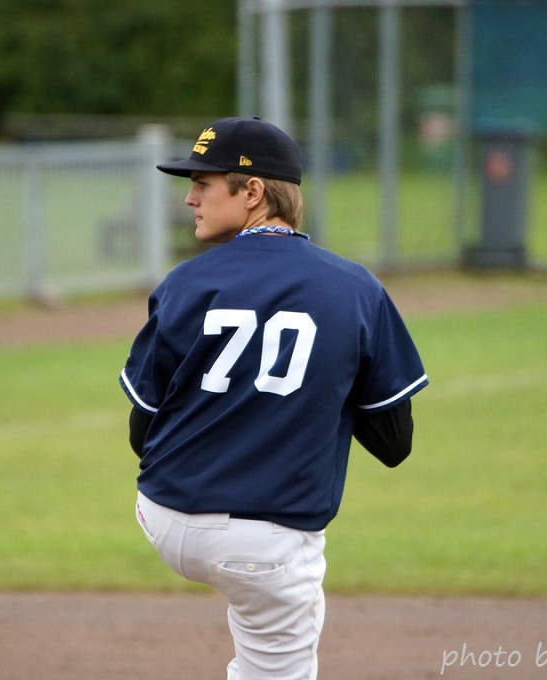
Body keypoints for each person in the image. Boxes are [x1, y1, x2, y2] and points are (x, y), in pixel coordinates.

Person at [119, 116, 428, 680]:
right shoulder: (354, 288)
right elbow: (394, 444)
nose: (189, 198)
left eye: (203, 183)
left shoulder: (183, 283)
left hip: (162, 515)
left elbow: (143, 432)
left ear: (253, 191)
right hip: (265, 543)